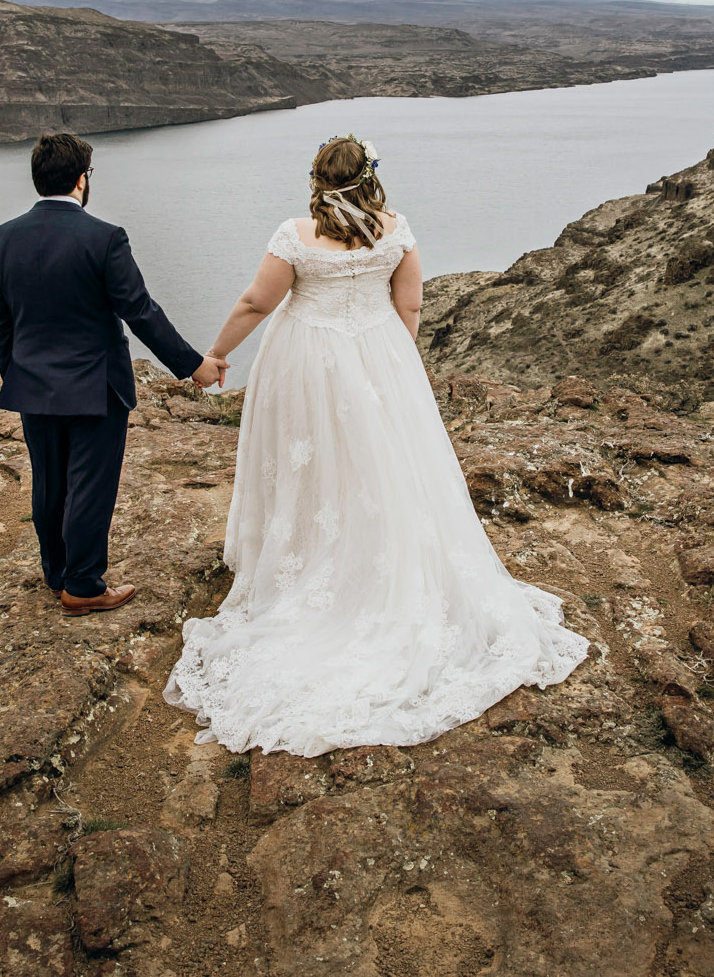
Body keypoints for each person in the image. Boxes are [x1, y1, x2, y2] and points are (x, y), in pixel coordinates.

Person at [164, 134, 588, 755]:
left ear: (316, 179)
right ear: (369, 178)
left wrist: (217, 354)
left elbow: (258, 301)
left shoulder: (297, 235)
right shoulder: (395, 229)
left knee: (312, 461)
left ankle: (305, 553)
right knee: (380, 465)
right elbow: (409, 302)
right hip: (378, 353)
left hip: (309, 359)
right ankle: (373, 556)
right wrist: (392, 359)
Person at [0, 133, 226, 617]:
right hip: (96, 385)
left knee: (49, 483)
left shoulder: (0, 237)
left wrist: (18, 374)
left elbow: (1, 319)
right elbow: (140, 312)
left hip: (32, 384)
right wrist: (193, 365)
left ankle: (56, 574)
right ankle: (84, 586)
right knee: (90, 485)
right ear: (81, 180)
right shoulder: (104, 237)